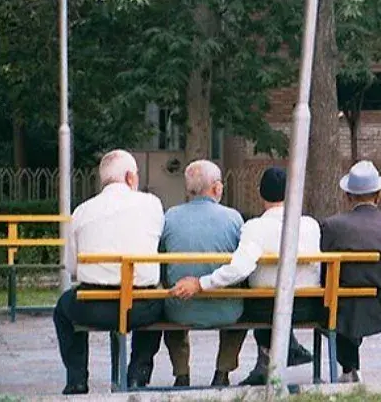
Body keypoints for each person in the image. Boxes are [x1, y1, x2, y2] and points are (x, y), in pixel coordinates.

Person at [171, 167, 322, 386]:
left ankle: (270, 359)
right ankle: (279, 354)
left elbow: (239, 269)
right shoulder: (310, 225)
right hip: (307, 306)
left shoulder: (255, 227)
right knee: (257, 300)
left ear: (260, 193)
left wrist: (201, 283)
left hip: (265, 308)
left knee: (248, 298)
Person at [53, 149, 165, 395]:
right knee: (161, 303)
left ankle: (77, 380)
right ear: (129, 177)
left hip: (93, 307)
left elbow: (71, 267)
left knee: (63, 309)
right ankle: (137, 374)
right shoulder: (152, 204)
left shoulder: (82, 211)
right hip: (139, 307)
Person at [320, 160, 381, 383]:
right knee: (348, 303)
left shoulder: (332, 226)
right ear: (379, 195)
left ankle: (349, 367)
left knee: (341, 303)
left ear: (348, 196)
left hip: (340, 302)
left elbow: (322, 272)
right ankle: (351, 368)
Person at [156, 160, 245, 387]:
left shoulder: (170, 217)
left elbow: (161, 263)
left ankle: (181, 373)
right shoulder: (233, 218)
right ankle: (222, 371)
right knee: (244, 300)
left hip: (180, 310)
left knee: (170, 294)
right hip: (227, 311)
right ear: (216, 188)